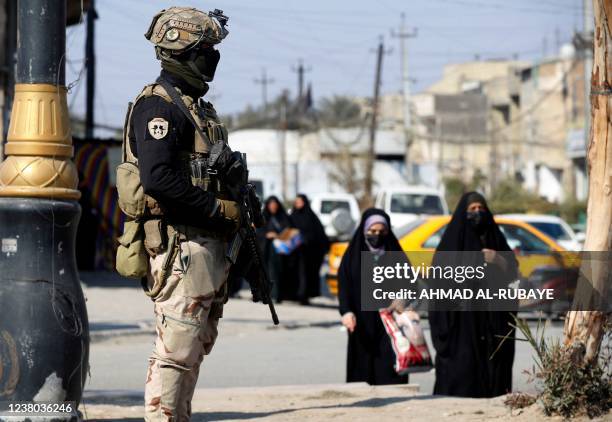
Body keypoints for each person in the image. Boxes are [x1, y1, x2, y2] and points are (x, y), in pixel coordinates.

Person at [122, 7, 237, 420]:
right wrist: (218, 208)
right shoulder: (160, 107)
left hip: (206, 246)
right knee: (175, 351)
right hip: (181, 247)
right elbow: (158, 181)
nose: (213, 58)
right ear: (181, 50)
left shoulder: (196, 108)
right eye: (206, 49)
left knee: (194, 347)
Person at [429, 192, 519, 398]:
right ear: (463, 213)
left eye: (481, 209)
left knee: (494, 374)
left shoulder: (496, 239)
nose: (478, 213)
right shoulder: (451, 244)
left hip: (492, 321)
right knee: (462, 374)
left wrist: (498, 260)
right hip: (461, 322)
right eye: (472, 209)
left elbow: (513, 274)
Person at [338, 208, 408, 385]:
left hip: (390, 322)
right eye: (372, 231)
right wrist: (346, 312)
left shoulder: (395, 254)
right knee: (362, 370)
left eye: (382, 232)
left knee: (390, 370)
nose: (377, 235)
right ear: (364, 231)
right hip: (361, 323)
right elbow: (344, 287)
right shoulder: (353, 256)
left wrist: (402, 298)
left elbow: (409, 283)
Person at [290, 194, 330, 304]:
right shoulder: (292, 216)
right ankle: (295, 294)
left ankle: (304, 295)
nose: (298, 204)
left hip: (309, 252)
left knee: (306, 274)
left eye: (300, 202)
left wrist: (306, 238)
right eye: (296, 202)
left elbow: (319, 234)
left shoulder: (311, 217)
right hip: (294, 251)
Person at [259, 196, 293, 302]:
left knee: (279, 273)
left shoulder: (283, 217)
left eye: (275, 205)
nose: (273, 207)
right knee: (266, 272)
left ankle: (278, 295)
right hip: (266, 250)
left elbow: (289, 231)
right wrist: (266, 234)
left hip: (281, 252)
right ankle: (266, 294)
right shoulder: (263, 217)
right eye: (271, 205)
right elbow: (258, 232)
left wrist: (278, 235)